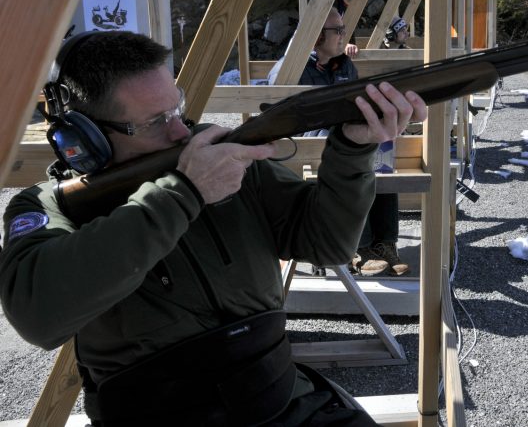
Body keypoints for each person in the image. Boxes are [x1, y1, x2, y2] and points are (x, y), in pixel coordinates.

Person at [0, 30, 426, 425]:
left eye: (177, 109)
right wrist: (185, 192)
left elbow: (326, 243)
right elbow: (39, 318)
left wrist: (353, 148)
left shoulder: (217, 155)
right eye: (153, 122)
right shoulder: (47, 205)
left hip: (277, 395)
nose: (180, 131)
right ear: (87, 138)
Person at [268, 8, 410, 277]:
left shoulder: (343, 63)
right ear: (316, 35)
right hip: (308, 149)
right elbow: (283, 124)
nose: (344, 35)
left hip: (337, 143)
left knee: (383, 152)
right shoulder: (291, 69)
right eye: (338, 31)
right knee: (361, 165)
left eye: (343, 30)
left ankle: (384, 242)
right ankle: (360, 247)